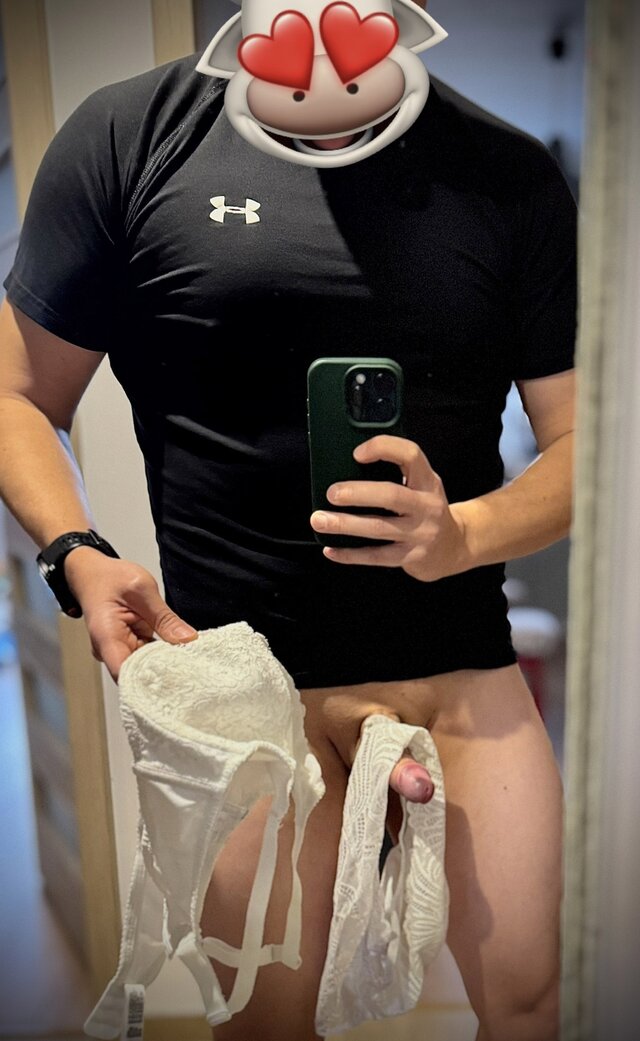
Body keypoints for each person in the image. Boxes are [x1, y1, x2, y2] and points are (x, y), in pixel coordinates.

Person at [0, 1, 576, 1038]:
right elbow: (16, 394)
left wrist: (464, 534)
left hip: (460, 671)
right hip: (241, 687)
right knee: (263, 1020)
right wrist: (76, 552)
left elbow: (592, 443)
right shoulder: (127, 136)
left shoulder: (508, 171)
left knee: (532, 1001)